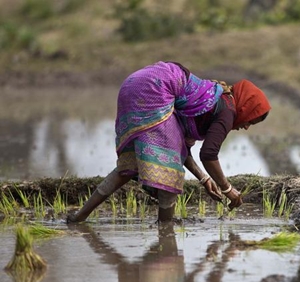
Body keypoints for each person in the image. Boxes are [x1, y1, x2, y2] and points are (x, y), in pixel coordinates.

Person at [67, 61, 271, 223]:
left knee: (129, 167)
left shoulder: (213, 98)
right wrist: (228, 189)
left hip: (133, 84)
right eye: (250, 120)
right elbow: (208, 154)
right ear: (245, 107)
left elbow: (178, 147)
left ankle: (79, 217)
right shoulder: (228, 111)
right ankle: (165, 231)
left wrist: (204, 179)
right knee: (170, 176)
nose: (246, 127)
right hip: (155, 88)